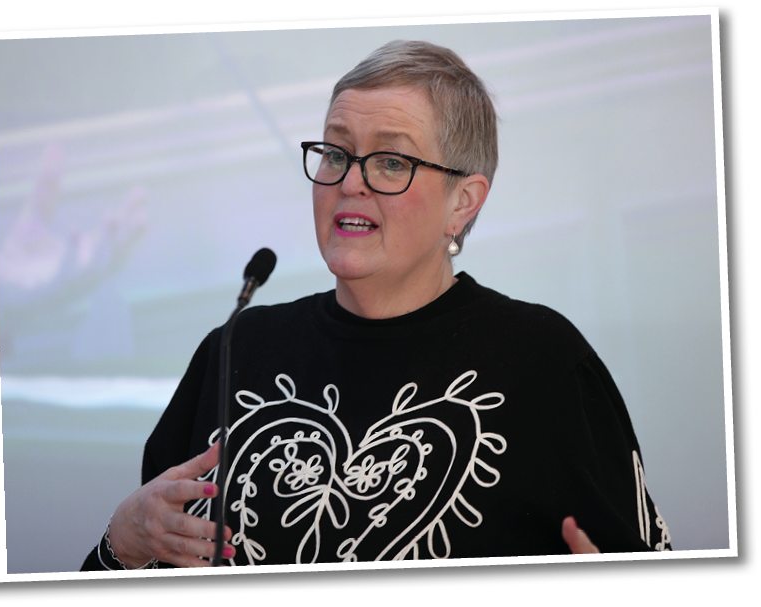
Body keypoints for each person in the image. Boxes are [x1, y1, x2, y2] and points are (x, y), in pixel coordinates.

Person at [81, 40, 670, 570]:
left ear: (463, 202)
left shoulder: (543, 359)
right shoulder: (237, 348)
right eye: (336, 153)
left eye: (391, 161)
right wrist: (120, 547)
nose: (349, 182)